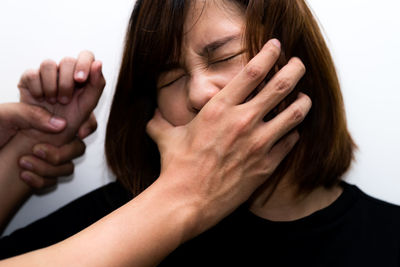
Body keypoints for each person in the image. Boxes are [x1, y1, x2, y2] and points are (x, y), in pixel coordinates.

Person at [1, 0, 400, 266]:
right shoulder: (117, 216)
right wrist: (24, 152)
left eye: (224, 56)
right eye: (170, 76)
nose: (196, 93)